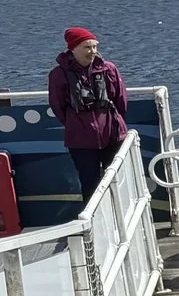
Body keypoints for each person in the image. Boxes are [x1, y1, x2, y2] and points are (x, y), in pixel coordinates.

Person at [46, 27, 129, 207]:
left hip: (112, 135)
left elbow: (121, 99)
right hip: (81, 141)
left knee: (117, 180)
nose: (92, 51)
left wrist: (114, 122)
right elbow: (57, 106)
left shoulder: (108, 69)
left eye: (94, 47)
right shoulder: (58, 75)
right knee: (90, 185)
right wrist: (77, 124)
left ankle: (121, 218)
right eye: (87, 47)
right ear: (73, 49)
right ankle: (95, 225)